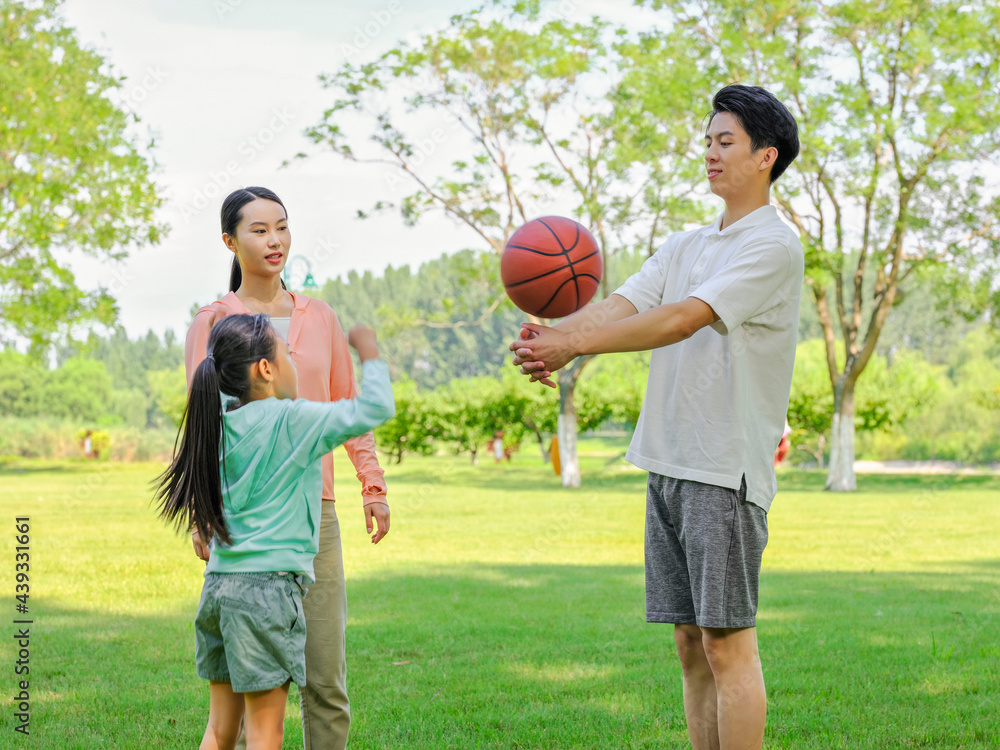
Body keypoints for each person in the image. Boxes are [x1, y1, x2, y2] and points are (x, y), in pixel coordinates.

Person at [510, 84, 802, 750]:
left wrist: (571, 344)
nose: (710, 153)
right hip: (669, 461)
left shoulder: (772, 247)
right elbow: (625, 303)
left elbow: (679, 319)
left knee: (728, 644)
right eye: (707, 141)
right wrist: (550, 337)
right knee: (691, 643)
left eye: (725, 141)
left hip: (723, 470)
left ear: (766, 156)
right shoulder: (685, 244)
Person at [186, 187, 390, 750]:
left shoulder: (319, 316)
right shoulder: (214, 321)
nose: (274, 240)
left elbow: (348, 405)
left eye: (282, 226)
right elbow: (202, 427)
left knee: (326, 679)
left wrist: (372, 485)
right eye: (258, 230)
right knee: (255, 696)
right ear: (229, 241)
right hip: (245, 525)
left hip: (315, 518)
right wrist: (203, 516)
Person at [156, 314, 394, 750]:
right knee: (266, 733)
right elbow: (374, 410)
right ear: (265, 369)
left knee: (221, 730)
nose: (293, 363)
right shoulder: (294, 422)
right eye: (287, 353)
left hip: (219, 591)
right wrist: (370, 352)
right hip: (267, 597)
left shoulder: (217, 426)